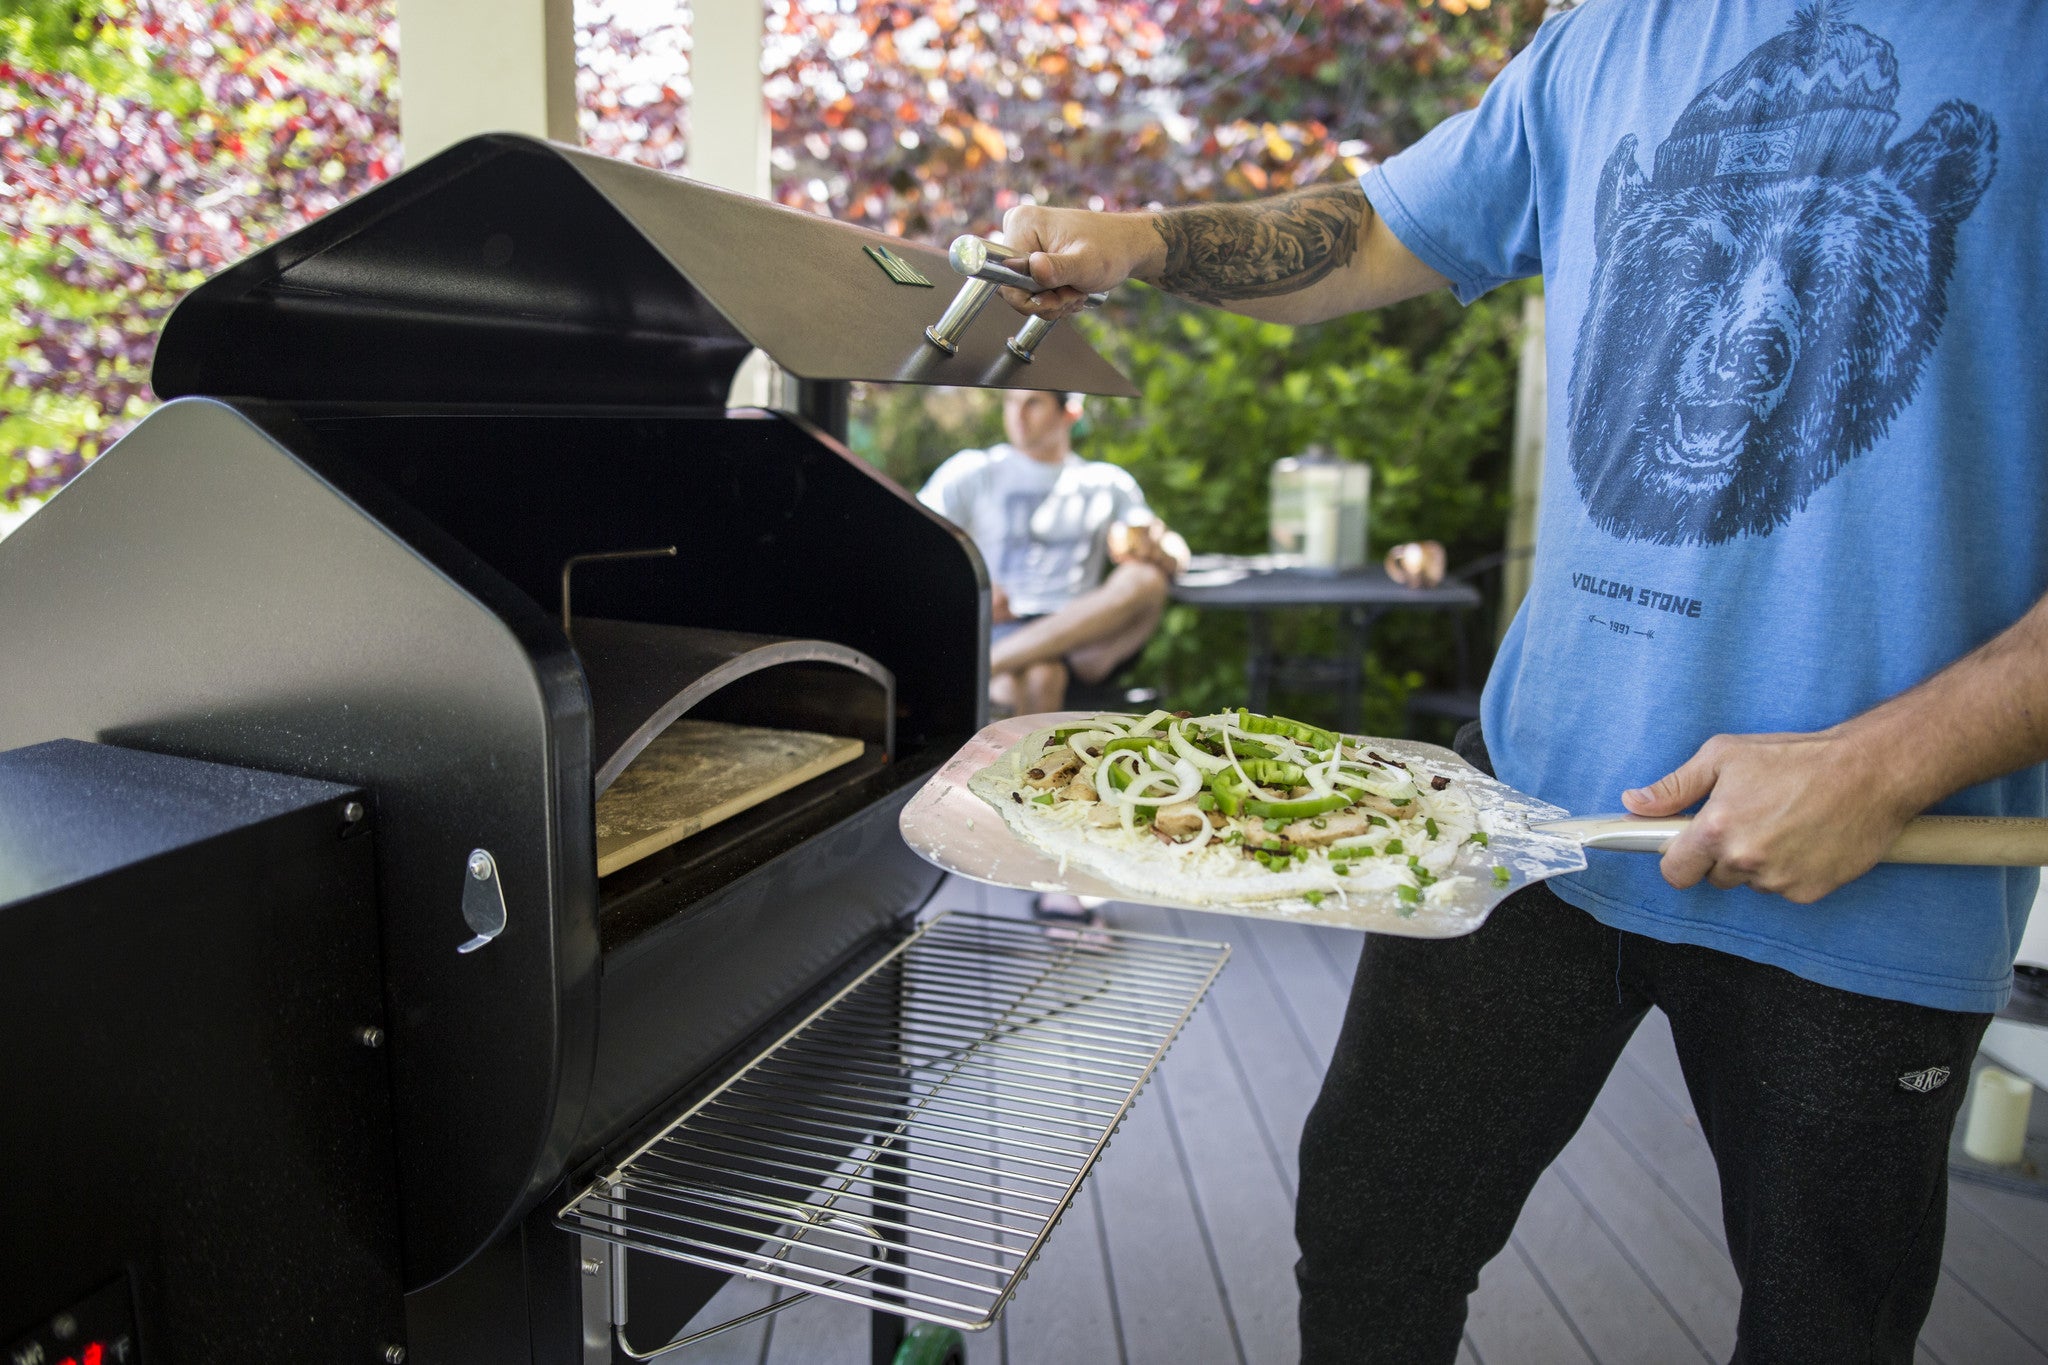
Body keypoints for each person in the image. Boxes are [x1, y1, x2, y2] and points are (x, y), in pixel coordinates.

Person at [988, 2, 2048, 1361]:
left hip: (1878, 864)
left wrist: (1885, 763)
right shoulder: (1610, 35)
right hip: (1529, 824)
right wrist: (1137, 242)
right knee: (1371, 1230)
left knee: (1824, 1330)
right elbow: (1373, 231)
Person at [919, 388, 1188, 716]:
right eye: (1011, 402)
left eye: (1033, 403)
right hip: (999, 623)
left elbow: (1169, 545)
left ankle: (985, 666)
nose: (1017, 415)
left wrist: (1163, 547)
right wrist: (970, 588)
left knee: (1147, 579)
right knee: (1042, 675)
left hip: (1081, 636)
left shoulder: (1106, 482)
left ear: (1069, 414)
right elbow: (916, 543)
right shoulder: (972, 471)